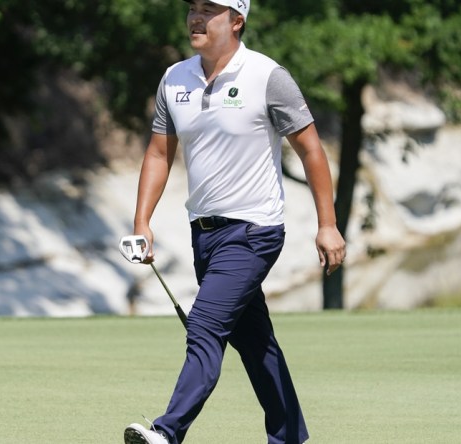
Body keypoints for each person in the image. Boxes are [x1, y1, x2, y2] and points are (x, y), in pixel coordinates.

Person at [123, 0, 346, 443]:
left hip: (253, 231)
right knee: (256, 343)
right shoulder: (174, 78)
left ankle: (167, 433)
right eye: (192, 9)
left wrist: (328, 224)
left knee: (204, 324)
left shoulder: (267, 77)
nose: (196, 18)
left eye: (210, 9)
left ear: (237, 20)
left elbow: (312, 149)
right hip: (203, 236)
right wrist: (141, 222)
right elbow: (158, 152)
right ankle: (290, 438)